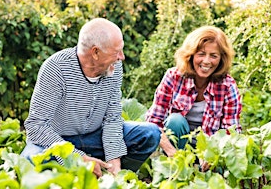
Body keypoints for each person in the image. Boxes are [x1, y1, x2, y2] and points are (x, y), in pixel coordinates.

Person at [20, 18, 161, 178]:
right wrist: (77, 157)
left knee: (150, 134)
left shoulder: (113, 67)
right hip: (58, 141)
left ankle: (110, 176)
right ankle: (74, 174)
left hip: (95, 138)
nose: (121, 57)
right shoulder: (56, 68)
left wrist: (114, 161)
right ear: (95, 52)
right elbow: (36, 125)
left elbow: (112, 118)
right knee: (30, 160)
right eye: (117, 52)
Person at [145, 25, 242, 171]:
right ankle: (173, 171)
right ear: (190, 55)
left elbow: (231, 131)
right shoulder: (174, 77)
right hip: (176, 147)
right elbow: (154, 122)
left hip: (209, 150)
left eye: (213, 56)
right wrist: (172, 152)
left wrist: (211, 154)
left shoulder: (227, 86)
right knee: (175, 120)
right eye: (201, 54)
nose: (207, 61)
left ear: (221, 59)